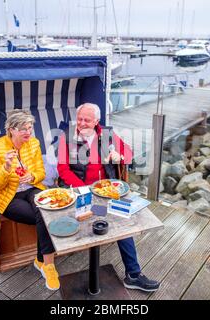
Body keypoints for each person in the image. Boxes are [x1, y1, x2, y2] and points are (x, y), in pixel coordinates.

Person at [57, 102, 160, 292]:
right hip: (82, 193)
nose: (82, 123)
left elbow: (128, 154)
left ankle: (133, 275)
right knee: (98, 214)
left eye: (87, 120)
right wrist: (84, 189)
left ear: (96, 121)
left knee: (122, 216)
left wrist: (118, 155)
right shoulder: (67, 137)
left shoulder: (107, 134)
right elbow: (62, 169)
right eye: (79, 119)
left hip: (106, 191)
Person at [0, 110, 59, 291]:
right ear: (11, 129)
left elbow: (41, 173)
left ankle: (45, 262)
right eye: (23, 129)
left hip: (31, 189)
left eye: (30, 128)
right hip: (8, 197)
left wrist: (32, 176)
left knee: (45, 210)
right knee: (44, 215)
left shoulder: (33, 144)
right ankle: (44, 262)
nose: (28, 132)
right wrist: (6, 167)